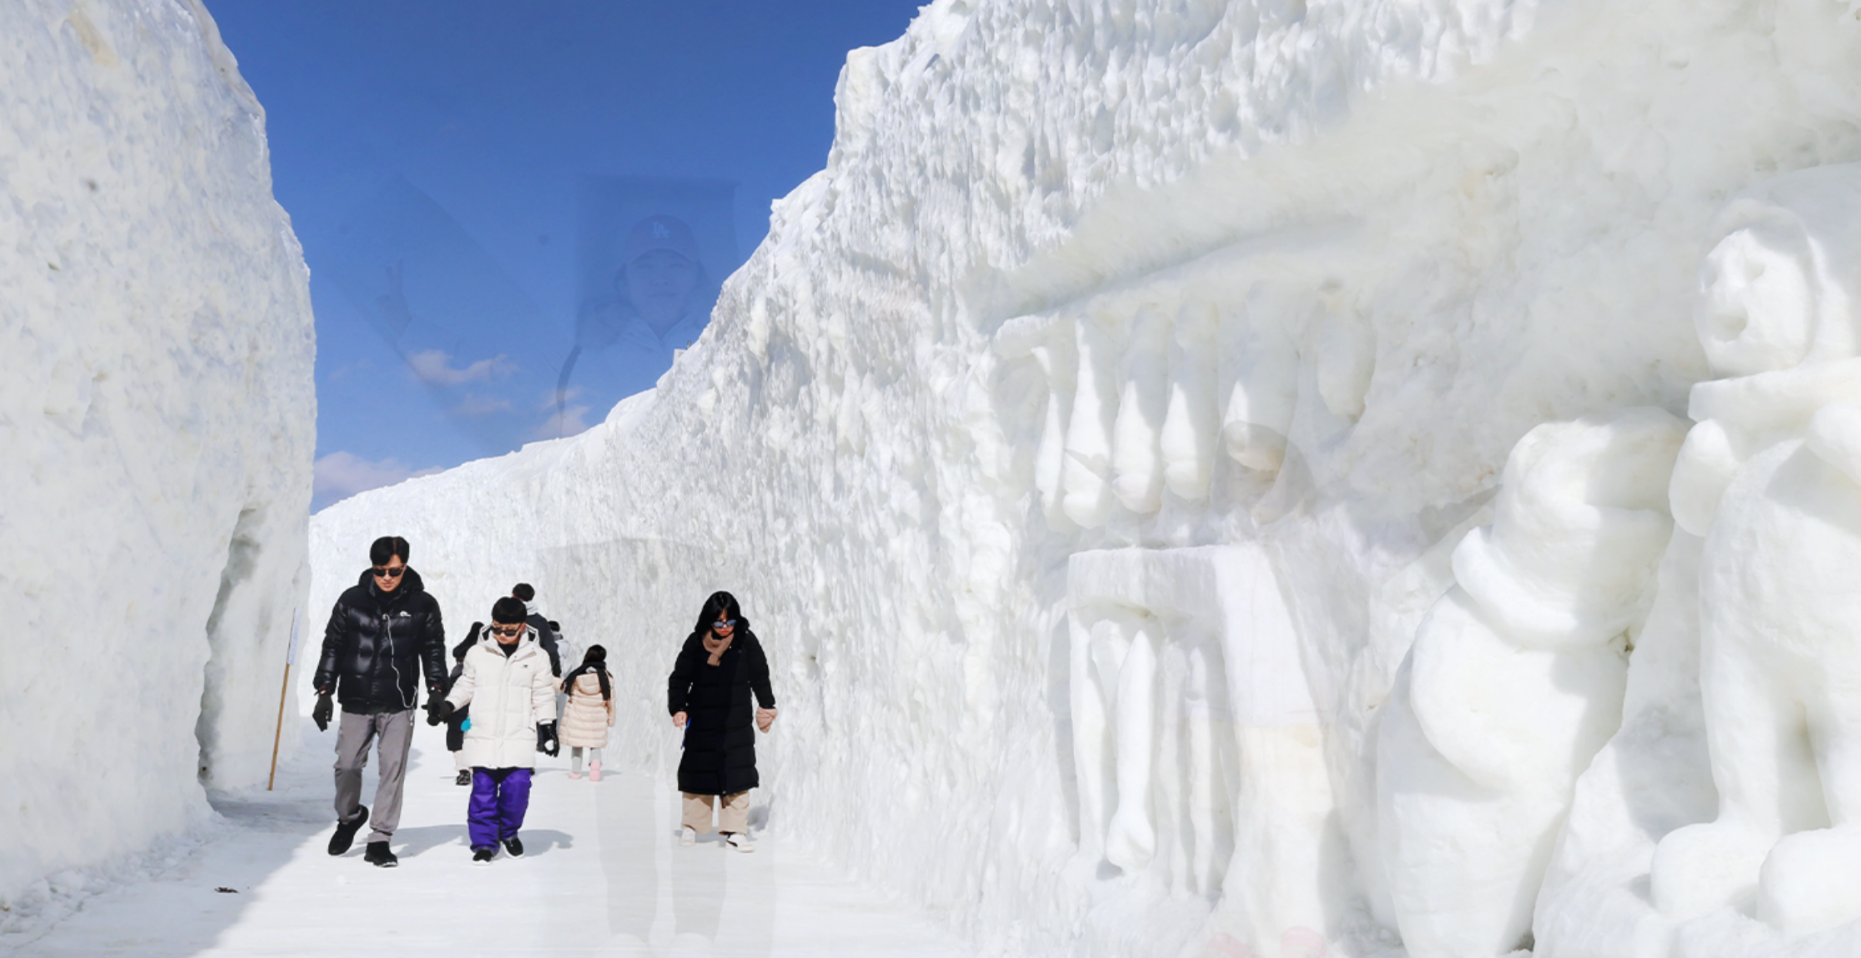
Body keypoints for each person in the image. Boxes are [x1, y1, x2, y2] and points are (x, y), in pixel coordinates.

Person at [312, 536, 448, 868]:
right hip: (356, 699)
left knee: (392, 770)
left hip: (398, 702)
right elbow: (333, 645)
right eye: (380, 570)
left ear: (405, 567)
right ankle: (350, 817)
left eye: (394, 570)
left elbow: (433, 649)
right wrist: (324, 692)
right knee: (347, 765)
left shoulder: (423, 605)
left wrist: (436, 689)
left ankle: (380, 838)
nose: (387, 577)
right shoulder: (352, 600)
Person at [432, 597, 559, 864]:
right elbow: (466, 685)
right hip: (483, 735)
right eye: (498, 628)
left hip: (518, 736)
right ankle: (484, 843)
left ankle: (508, 832)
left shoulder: (538, 657)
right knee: (482, 793)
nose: (502, 635)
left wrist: (547, 727)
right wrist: (448, 705)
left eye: (509, 630)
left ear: (523, 626)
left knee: (517, 789)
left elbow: (544, 695)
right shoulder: (477, 653)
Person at [667, 591, 776, 852]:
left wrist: (767, 704)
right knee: (698, 772)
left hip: (735, 720)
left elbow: (760, 674)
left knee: (737, 772)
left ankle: (737, 830)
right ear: (709, 621)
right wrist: (678, 707)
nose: (725, 628)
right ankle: (691, 827)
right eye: (719, 623)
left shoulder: (746, 642)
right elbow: (680, 678)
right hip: (702, 719)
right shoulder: (696, 642)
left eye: (730, 622)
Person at [559, 646, 616, 781]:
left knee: (577, 745)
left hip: (577, 716)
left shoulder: (577, 676)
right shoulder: (607, 678)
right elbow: (611, 701)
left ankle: (575, 772)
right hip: (597, 717)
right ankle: (595, 769)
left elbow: (564, 686)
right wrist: (611, 719)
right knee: (595, 745)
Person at [443, 625, 481, 786]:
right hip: (473, 712)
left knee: (457, 739)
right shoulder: (482, 663)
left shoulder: (456, 672)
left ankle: (464, 771)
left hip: (458, 713)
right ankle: (473, 769)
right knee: (472, 738)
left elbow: (451, 692)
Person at [511, 583, 562, 677]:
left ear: (514, 596)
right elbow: (551, 650)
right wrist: (554, 672)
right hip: (533, 673)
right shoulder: (541, 622)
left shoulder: (505, 617)